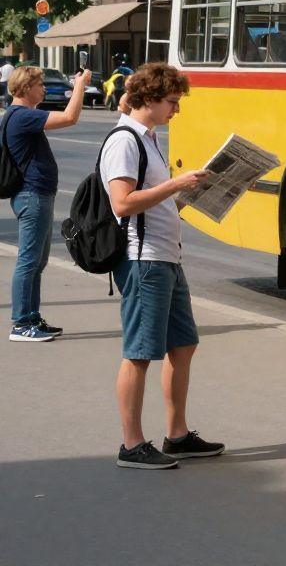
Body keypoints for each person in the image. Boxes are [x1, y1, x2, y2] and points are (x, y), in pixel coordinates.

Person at [102, 63, 219, 469]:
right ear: (148, 99)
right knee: (139, 353)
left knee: (183, 344)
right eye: (172, 102)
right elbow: (122, 202)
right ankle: (131, 444)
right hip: (144, 259)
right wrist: (175, 184)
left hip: (167, 256)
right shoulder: (125, 140)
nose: (176, 110)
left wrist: (186, 194)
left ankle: (177, 434)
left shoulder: (147, 138)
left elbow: (150, 198)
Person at [5, 65, 89, 342]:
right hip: (32, 195)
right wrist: (79, 86)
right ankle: (20, 323)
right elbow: (69, 117)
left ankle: (31, 317)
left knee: (36, 261)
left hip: (35, 195)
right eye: (40, 84)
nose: (44, 89)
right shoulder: (22, 116)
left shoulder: (17, 115)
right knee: (29, 261)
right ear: (26, 87)